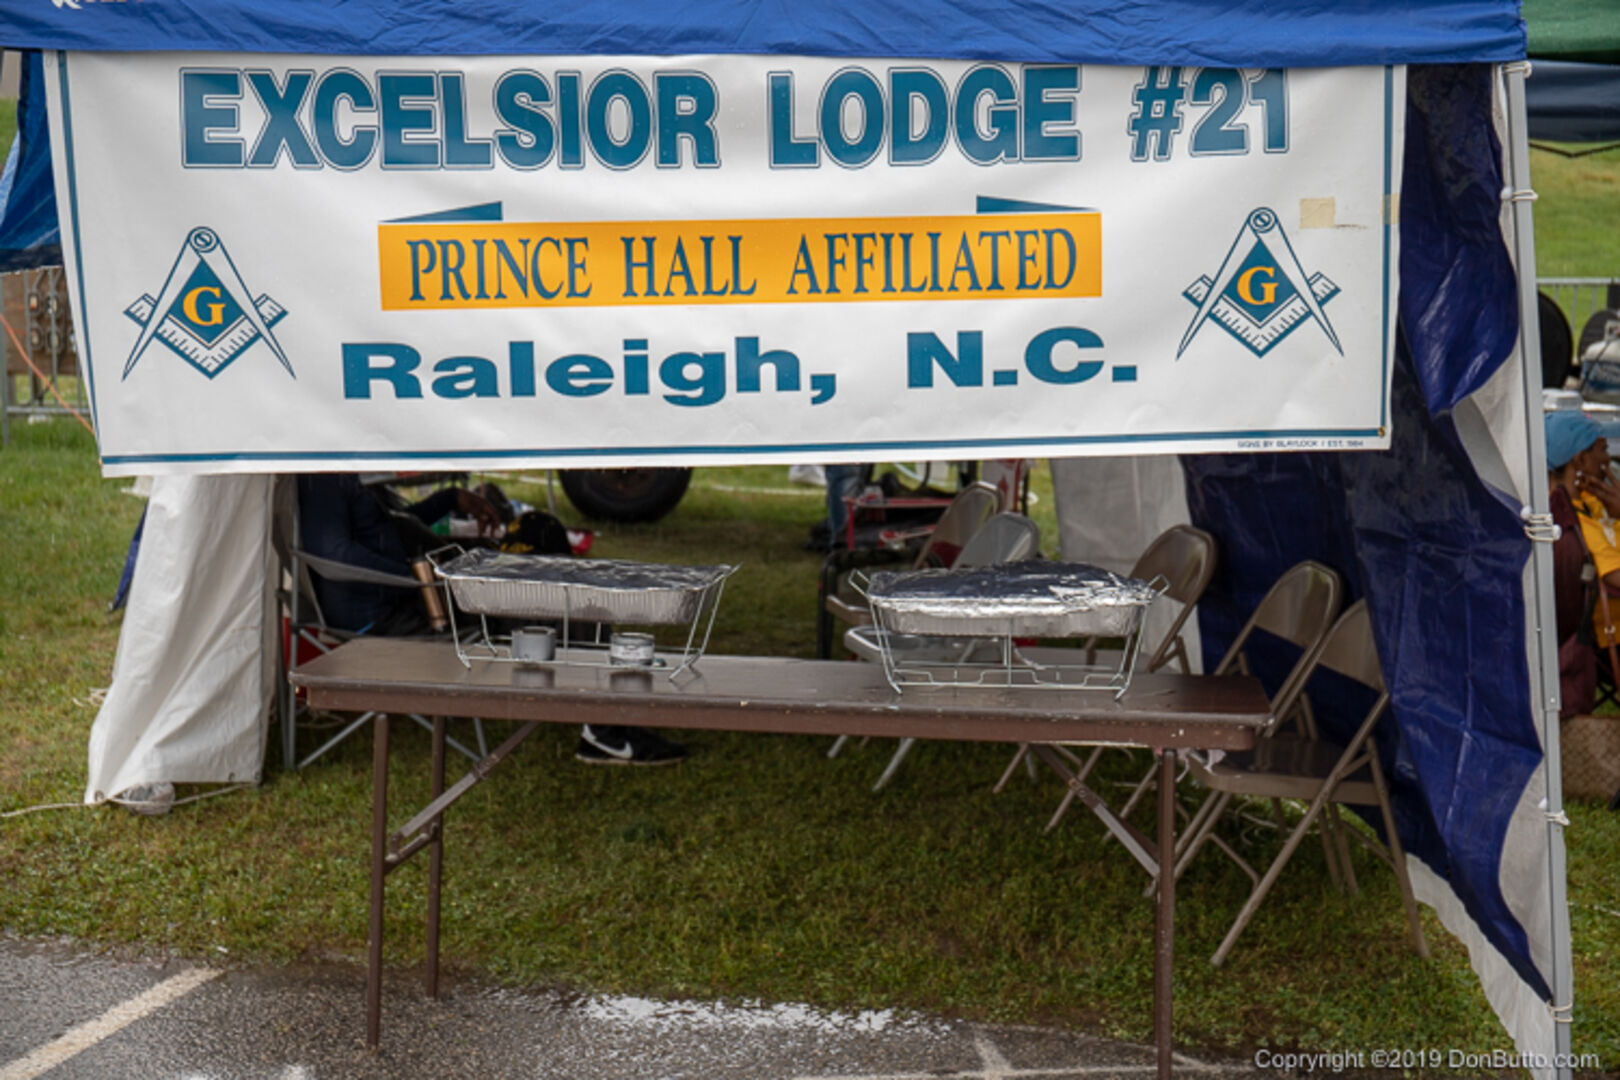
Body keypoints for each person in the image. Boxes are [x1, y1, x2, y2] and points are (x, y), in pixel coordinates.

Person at [296, 474, 502, 635]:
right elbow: (334, 555)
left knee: (490, 608)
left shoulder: (346, 473)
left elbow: (392, 527)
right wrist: (413, 579)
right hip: (375, 616)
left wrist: (451, 498)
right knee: (490, 625)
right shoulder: (324, 476)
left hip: (393, 602)